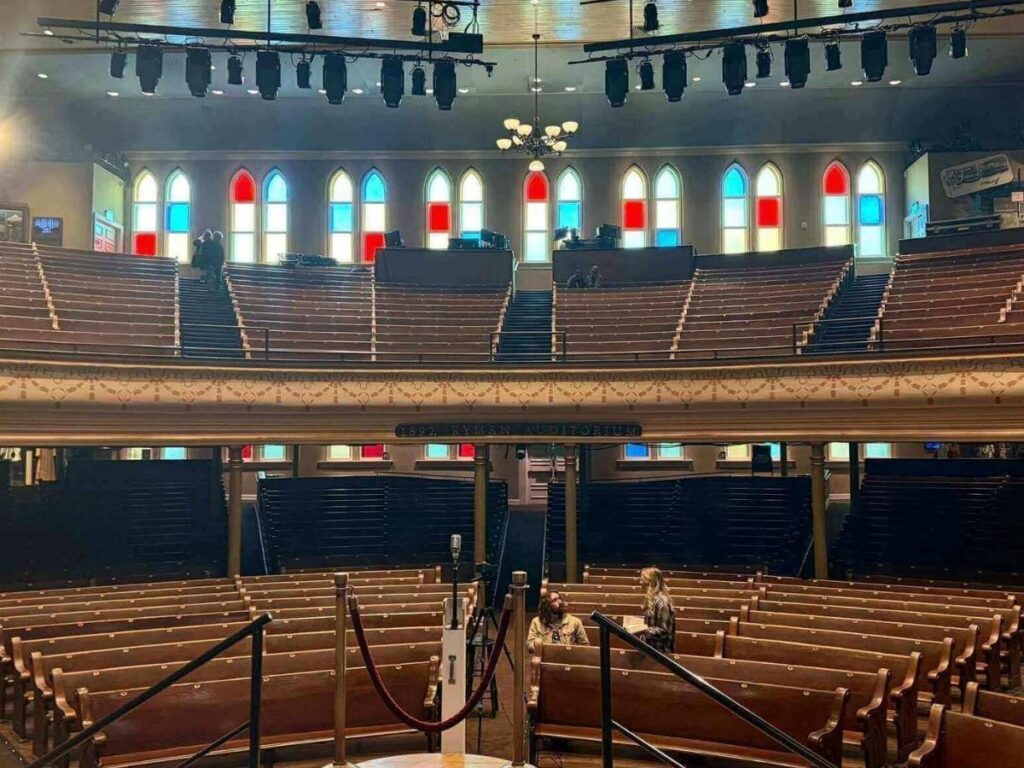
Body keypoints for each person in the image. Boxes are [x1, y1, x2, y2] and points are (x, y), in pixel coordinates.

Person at [636, 566, 675, 652]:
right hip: (650, 646)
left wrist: (643, 630)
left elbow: (664, 630)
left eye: (642, 580)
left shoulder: (662, 603)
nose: (640, 582)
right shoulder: (652, 599)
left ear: (650, 582)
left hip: (659, 650)